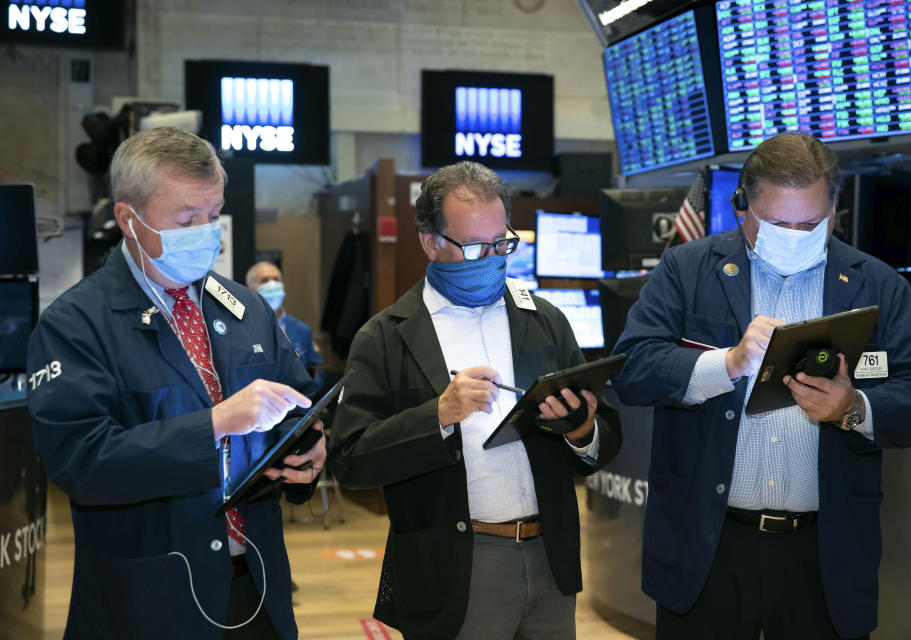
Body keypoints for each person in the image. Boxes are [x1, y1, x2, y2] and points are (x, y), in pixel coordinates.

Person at [612, 133, 911, 640]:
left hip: (822, 554)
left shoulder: (878, 284)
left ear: (834, 210)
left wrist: (853, 408)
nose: (795, 234)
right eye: (778, 224)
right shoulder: (688, 268)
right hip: (709, 547)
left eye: (810, 224)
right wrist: (725, 364)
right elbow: (633, 368)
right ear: (743, 208)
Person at [27, 127, 326, 640]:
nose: (207, 233)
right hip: (148, 601)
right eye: (188, 220)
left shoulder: (245, 306)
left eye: (214, 217)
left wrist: (312, 451)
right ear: (128, 219)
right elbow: (81, 461)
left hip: (256, 588)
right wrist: (217, 423)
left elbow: (297, 406)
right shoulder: (74, 324)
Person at [328, 161, 622, 640]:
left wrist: (580, 430)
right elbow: (351, 460)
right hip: (456, 563)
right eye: (473, 247)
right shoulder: (384, 336)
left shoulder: (544, 320)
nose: (491, 258)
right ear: (430, 241)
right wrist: (438, 415)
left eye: (501, 243)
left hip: (551, 559)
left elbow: (603, 435)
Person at [246, 261, 324, 384]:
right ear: (250, 289)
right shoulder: (241, 328)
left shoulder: (302, 330)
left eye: (276, 279)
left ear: (283, 285)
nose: (272, 284)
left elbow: (316, 373)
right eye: (265, 280)